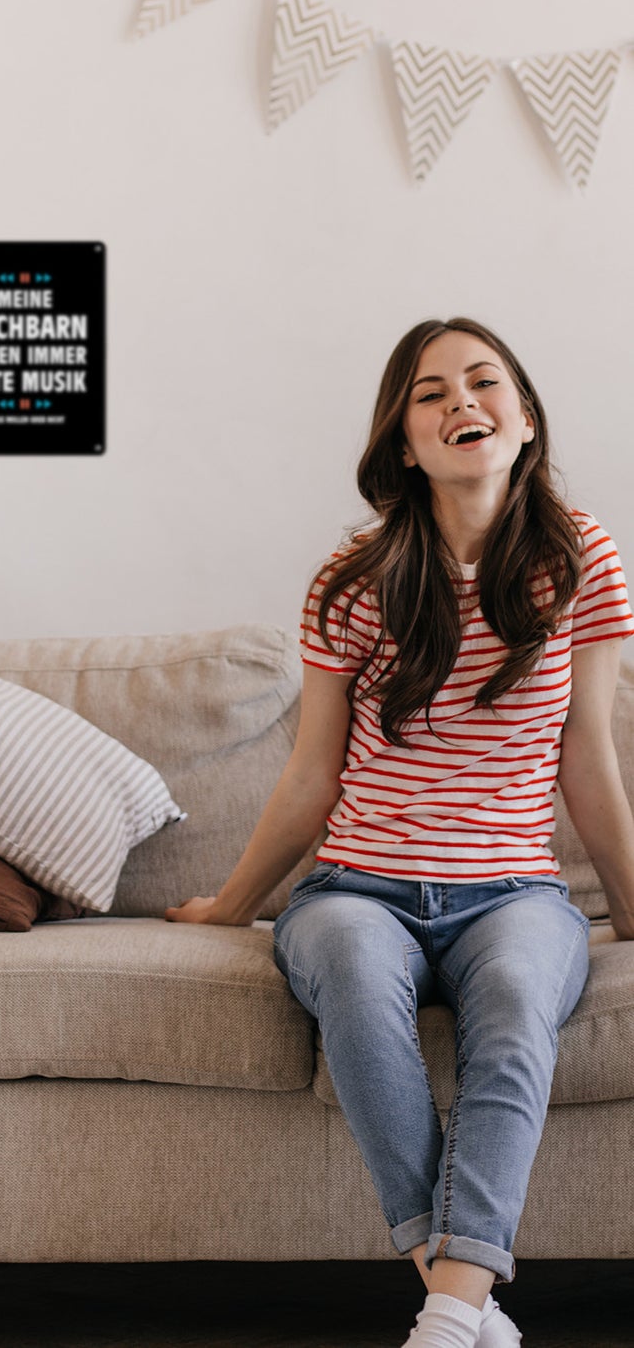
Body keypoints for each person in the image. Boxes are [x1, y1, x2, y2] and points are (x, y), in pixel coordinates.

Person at [165, 317, 634, 1348]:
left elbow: (585, 755)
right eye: (429, 392)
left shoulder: (580, 557)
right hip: (354, 887)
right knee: (345, 971)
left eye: (482, 381)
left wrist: (633, 911)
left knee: (515, 999)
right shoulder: (353, 574)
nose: (459, 400)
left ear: (521, 422)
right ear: (402, 441)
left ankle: (446, 1312)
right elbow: (311, 773)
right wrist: (232, 906)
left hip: (512, 893)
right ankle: (462, 1300)